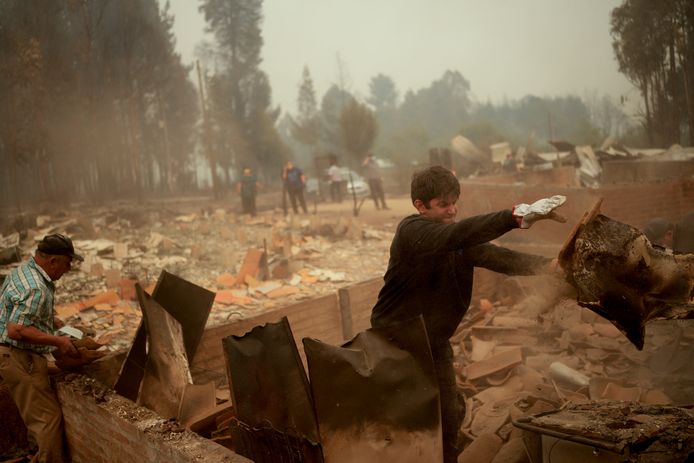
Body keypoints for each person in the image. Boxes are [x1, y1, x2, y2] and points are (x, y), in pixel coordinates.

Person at [370, 166, 566, 463]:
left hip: (433, 342)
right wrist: (514, 216)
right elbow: (456, 233)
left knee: (449, 415)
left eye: (454, 202)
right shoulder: (412, 231)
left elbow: (497, 257)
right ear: (420, 206)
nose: (452, 210)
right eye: (443, 204)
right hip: (395, 344)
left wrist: (548, 267)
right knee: (405, 420)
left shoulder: (458, 244)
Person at [0, 234, 82, 462]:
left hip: (10, 352)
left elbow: (14, 306)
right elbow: (16, 329)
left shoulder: (23, 272)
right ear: (53, 261)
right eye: (67, 263)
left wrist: (48, 318)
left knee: (36, 417)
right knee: (48, 419)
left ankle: (36, 456)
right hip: (17, 355)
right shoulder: (37, 288)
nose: (67, 270)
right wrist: (59, 341)